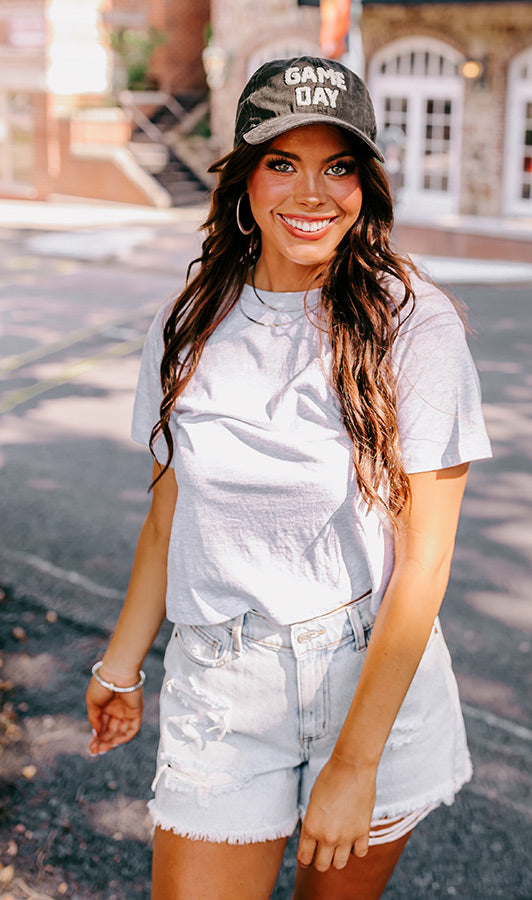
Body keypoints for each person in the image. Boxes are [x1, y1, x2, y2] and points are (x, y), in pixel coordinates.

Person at [85, 56, 491, 900]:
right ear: (244, 178)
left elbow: (426, 564)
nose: (312, 194)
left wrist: (355, 762)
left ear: (367, 183)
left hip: (369, 676)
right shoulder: (190, 321)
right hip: (222, 684)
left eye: (338, 165)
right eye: (283, 162)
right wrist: (120, 667)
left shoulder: (414, 324)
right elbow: (169, 519)